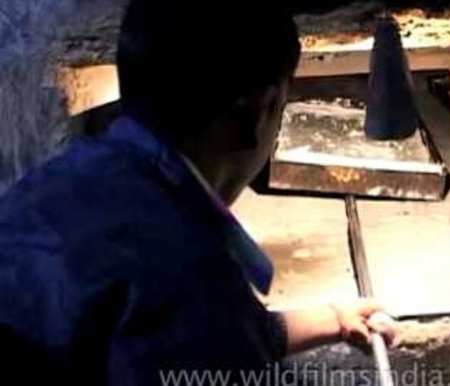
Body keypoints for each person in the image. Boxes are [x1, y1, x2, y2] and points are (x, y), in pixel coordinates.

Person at [0, 1, 395, 385]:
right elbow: (197, 329)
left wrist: (334, 318)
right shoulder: (187, 269)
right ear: (261, 111)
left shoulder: (61, 181)